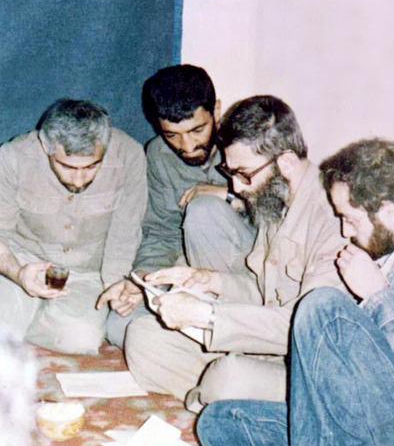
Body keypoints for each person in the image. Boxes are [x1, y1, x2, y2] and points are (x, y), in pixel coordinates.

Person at [197, 137, 394, 446]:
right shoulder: (383, 253)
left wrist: (378, 297)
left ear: (389, 210)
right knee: (220, 422)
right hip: (367, 437)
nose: (344, 232)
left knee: (322, 306)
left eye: (350, 219)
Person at [125, 95, 344, 409]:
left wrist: (208, 316)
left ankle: (226, 399)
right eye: (231, 173)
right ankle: (225, 400)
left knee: (228, 377)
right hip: (264, 346)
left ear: (285, 162)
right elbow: (263, 292)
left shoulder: (334, 219)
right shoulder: (276, 198)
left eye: (243, 174)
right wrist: (210, 280)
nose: (237, 188)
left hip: (307, 366)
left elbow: (307, 329)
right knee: (143, 337)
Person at [100, 64, 255, 348]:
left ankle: (231, 330)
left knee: (203, 210)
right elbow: (161, 233)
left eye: (197, 130)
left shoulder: (250, 142)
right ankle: (209, 341)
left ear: (216, 111)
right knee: (121, 328)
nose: (187, 145)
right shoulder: (158, 154)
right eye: (172, 134)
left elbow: (279, 221)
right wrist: (144, 280)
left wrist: (230, 196)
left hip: (246, 278)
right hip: (186, 273)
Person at [0, 98, 147, 354]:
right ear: (45, 146)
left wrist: (116, 285)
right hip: (22, 260)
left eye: (92, 166)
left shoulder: (130, 155)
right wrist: (17, 273)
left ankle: (18, 323)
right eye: (67, 167)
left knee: (81, 340)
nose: (79, 180)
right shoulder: (13, 156)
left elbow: (125, 234)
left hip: (87, 273)